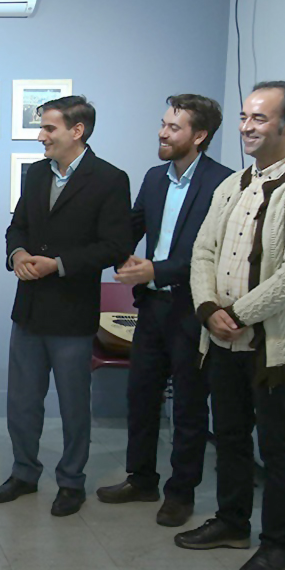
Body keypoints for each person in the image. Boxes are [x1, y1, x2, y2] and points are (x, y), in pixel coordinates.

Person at [178, 81, 285, 570]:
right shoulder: (232, 185)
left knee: (278, 447)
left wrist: (237, 314)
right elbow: (203, 251)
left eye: (259, 118)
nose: (246, 126)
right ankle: (232, 522)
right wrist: (208, 309)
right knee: (227, 435)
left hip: (275, 347)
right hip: (223, 338)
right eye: (245, 116)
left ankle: (280, 546)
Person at [0, 95, 132, 517]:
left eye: (49, 128)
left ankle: (71, 482)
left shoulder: (110, 179)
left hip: (73, 311)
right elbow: (17, 226)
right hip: (29, 309)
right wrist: (17, 255)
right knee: (22, 402)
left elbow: (115, 245)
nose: (41, 137)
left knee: (73, 406)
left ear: (77, 130)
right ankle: (24, 473)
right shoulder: (36, 173)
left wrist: (60, 264)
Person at [96, 95, 231, 527]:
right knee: (141, 397)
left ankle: (180, 493)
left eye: (174, 127)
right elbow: (132, 227)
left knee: (189, 406)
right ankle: (141, 480)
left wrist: (158, 269)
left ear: (200, 135)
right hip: (152, 306)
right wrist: (114, 255)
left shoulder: (224, 183)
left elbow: (213, 255)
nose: (162, 133)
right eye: (163, 123)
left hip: (194, 310)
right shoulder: (155, 178)